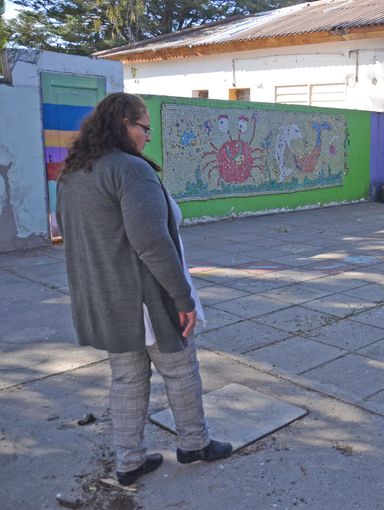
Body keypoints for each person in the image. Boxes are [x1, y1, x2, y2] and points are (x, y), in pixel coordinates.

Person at [56, 93, 232, 486]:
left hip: (107, 299)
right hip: (145, 297)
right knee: (181, 369)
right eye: (144, 127)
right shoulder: (130, 170)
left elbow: (70, 235)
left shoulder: (72, 173)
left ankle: (129, 460)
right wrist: (182, 297)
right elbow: (152, 241)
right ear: (123, 124)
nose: (147, 137)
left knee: (127, 379)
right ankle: (194, 443)